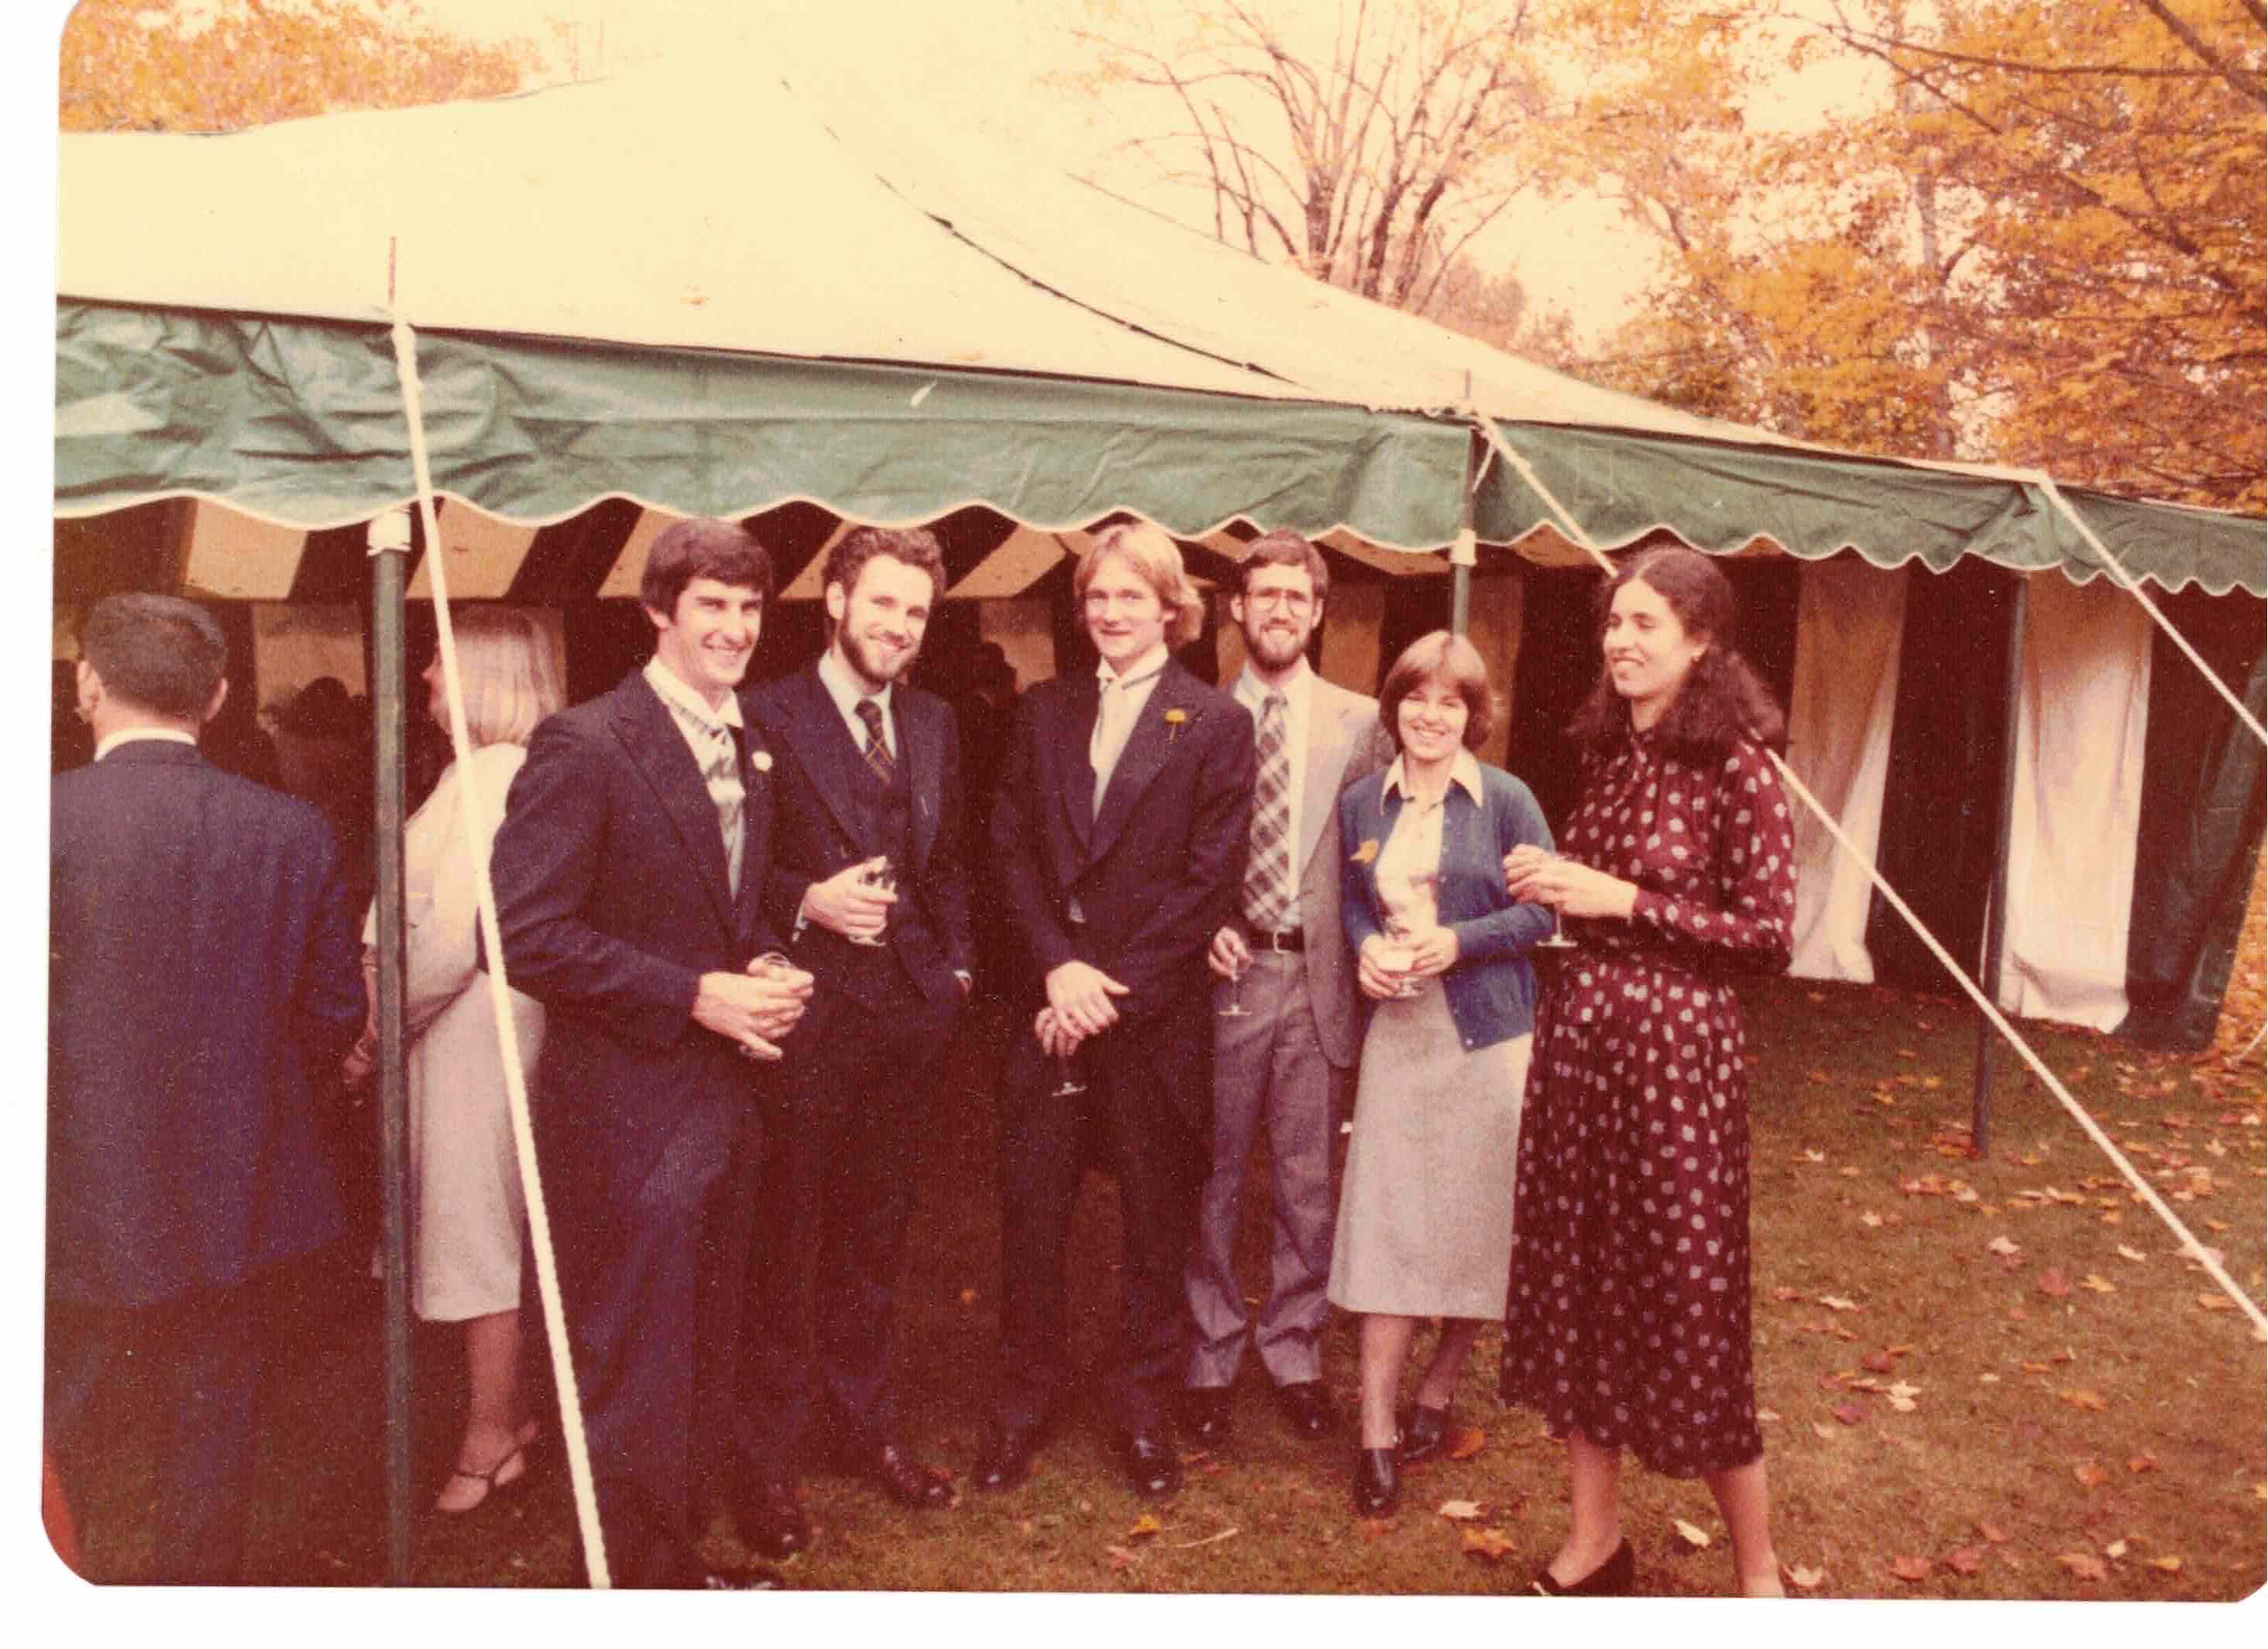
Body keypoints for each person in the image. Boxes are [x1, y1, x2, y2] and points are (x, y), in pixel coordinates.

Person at [490, 517, 813, 1590]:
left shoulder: (747, 742)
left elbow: (716, 908)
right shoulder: (587, 743)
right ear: (659, 612)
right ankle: (643, 1585)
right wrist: (694, 996)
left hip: (723, 1101)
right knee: (636, 1356)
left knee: (699, 1343)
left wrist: (762, 960)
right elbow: (520, 935)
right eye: (710, 605)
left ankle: (669, 1554)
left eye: (749, 607)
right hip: (624, 1113)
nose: (732, 628)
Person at [46, 593, 366, 1582]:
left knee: (51, 1432)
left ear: (87, 684)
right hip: (242, 1183)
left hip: (67, 1187)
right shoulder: (292, 829)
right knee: (209, 1435)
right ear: (221, 696)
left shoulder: (37, 820)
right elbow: (330, 1013)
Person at [1500, 545, 1796, 1597]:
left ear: (1702, 640)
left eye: (1646, 625)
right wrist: (1555, 890)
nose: (1621, 641)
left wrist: (1623, 901)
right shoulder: (1611, 757)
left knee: (1688, 1301)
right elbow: (1598, 900)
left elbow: (1768, 937)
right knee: (1578, 1289)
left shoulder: (1739, 766)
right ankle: (1593, 1543)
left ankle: (1760, 1573)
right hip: (1583, 1058)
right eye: (1613, 622)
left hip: (1675, 1072)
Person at [978, 520, 1254, 1501]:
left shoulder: (1215, 723)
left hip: (1148, 1018)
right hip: (1051, 1006)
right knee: (1033, 1215)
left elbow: (1204, 883)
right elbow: (1006, 849)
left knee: (1154, 1222)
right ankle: (1023, 1402)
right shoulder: (1044, 709)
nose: (1111, 613)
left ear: (1171, 608)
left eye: (1131, 596)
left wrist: (1100, 991)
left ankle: (1142, 1407)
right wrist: (1056, 969)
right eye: (1098, 597)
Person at [737, 527, 974, 1548]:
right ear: (834, 601)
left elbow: (949, 864)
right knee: (784, 1242)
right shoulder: (762, 713)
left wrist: (957, 970)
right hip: (804, 1018)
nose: (897, 626)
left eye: (915, 612)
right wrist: (806, 901)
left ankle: (861, 1428)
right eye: (881, 604)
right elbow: (724, 875)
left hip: (908, 1022)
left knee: (875, 1239)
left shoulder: (932, 720)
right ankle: (765, 1461)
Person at [342, 610, 563, 1514]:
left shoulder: (495, 783)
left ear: (482, 675)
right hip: (460, 1026)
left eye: (439, 658)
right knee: (480, 1226)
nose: (425, 673)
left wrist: (370, 1039)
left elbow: (453, 942)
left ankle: (490, 1434)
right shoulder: (475, 777)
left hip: (473, 1029)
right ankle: (502, 1417)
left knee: (478, 1232)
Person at [1329, 630, 1554, 1516]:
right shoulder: (1361, 803)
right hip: (1402, 1035)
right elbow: (1351, 900)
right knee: (1389, 1224)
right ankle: (1377, 1431)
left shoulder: (1505, 799)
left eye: (1451, 702)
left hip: (1488, 1039)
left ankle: (1439, 1387)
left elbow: (1542, 909)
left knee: (1475, 1225)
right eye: (1416, 699)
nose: (1431, 716)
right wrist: (1363, 952)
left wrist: (1460, 939)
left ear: (1474, 715)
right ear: (1394, 708)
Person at [1180, 531, 1391, 1448]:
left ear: (1316, 610)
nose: (1277, 609)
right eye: (1261, 594)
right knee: (1213, 1169)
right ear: (1237, 607)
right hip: (1225, 973)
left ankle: (1295, 1346)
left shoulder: (1361, 720)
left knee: (1308, 1177)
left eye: (1294, 596)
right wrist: (1199, 928)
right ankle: (1209, 1350)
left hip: (1319, 977)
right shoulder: (1189, 713)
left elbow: (1387, 851)